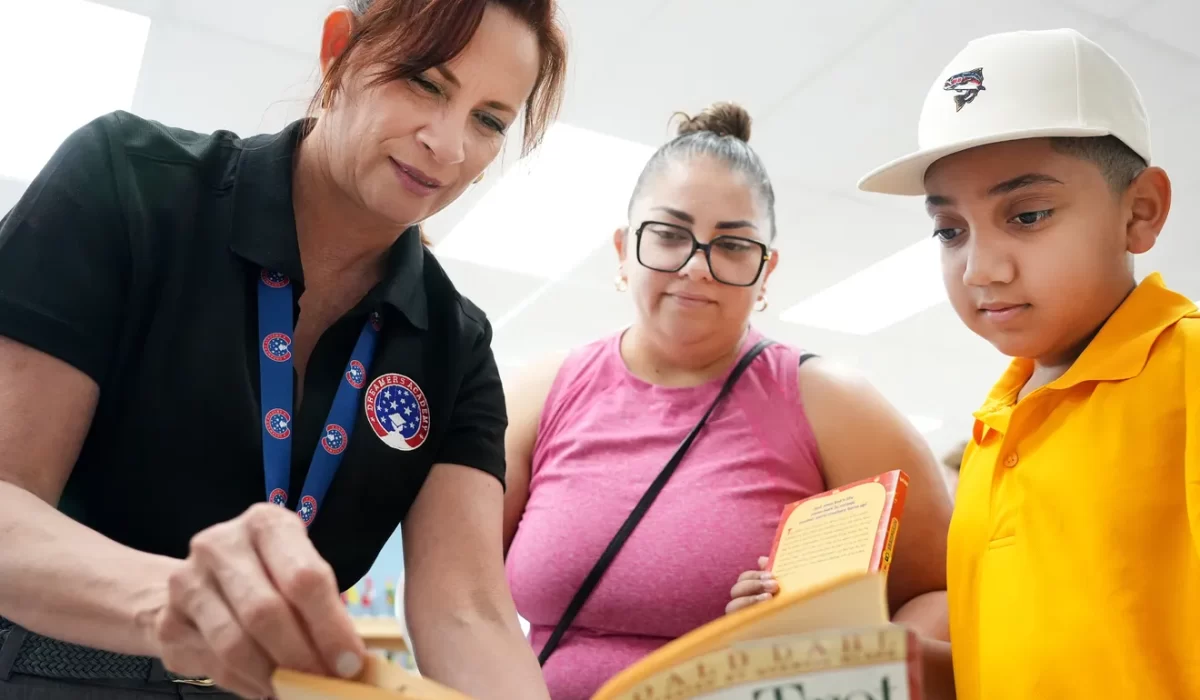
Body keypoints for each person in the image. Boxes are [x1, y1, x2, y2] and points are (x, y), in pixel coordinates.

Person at [0, 0, 566, 697]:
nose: (448, 146)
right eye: (425, 82)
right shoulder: (129, 183)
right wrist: (180, 601)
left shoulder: (456, 343)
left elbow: (467, 613)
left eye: (488, 121)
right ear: (339, 51)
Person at [502, 102, 955, 700]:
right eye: (668, 235)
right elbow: (459, 596)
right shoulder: (539, 394)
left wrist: (842, 655)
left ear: (766, 270)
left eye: (733, 246)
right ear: (622, 248)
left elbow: (943, 593)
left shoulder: (833, 403)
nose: (696, 267)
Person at [857, 28, 1200, 699]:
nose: (981, 268)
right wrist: (844, 650)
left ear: (1141, 211)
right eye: (950, 230)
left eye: (1028, 214)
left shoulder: (1186, 372)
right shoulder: (993, 431)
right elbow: (1003, 666)